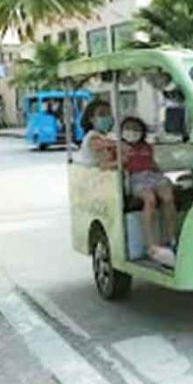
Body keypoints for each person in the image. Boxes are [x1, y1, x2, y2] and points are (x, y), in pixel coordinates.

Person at [120, 117, 177, 268]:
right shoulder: (120, 147)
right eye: (128, 128)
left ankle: (171, 240)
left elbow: (153, 164)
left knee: (168, 197)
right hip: (135, 178)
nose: (132, 132)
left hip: (152, 176)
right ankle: (150, 245)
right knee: (150, 199)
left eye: (135, 128)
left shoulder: (147, 147)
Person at [77, 100, 117, 168]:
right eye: (102, 114)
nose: (107, 117)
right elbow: (104, 163)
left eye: (109, 114)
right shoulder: (92, 137)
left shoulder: (109, 135)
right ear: (91, 118)